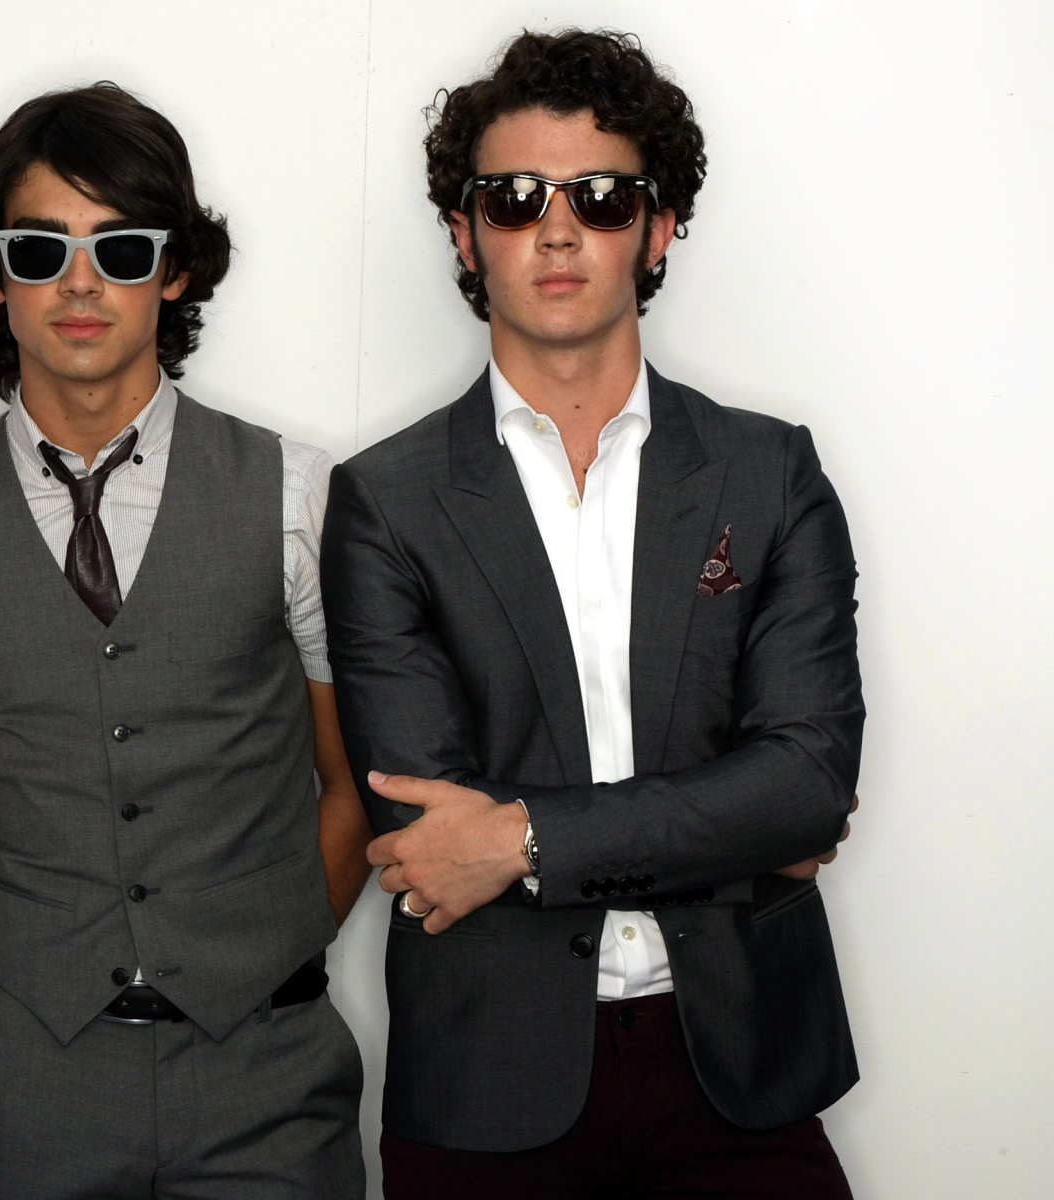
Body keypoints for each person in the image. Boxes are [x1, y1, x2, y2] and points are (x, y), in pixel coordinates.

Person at [323, 30, 862, 1198]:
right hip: (485, 1076)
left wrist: (521, 839)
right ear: (465, 234)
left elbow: (807, 784)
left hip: (742, 1064)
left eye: (601, 197)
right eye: (515, 199)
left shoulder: (769, 473)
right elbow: (427, 833)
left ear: (657, 229)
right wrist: (728, 827)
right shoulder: (384, 501)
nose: (557, 230)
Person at [0, 83, 370, 1198]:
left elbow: (358, 782)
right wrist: (59, 968)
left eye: (121, 249)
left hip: (271, 1078)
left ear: (173, 270)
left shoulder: (301, 497)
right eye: (40, 250)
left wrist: (260, 956)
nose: (80, 283)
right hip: (38, 1084)